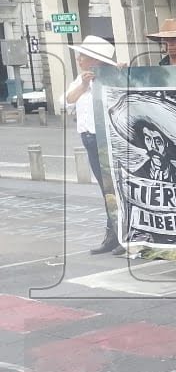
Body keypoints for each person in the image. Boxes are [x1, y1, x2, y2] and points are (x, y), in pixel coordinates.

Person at [64, 36, 121, 254]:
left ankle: (123, 234)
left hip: (108, 139)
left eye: (83, 56)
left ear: (95, 60)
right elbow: (67, 100)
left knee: (116, 188)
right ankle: (113, 234)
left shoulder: (112, 78)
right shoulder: (80, 80)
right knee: (105, 189)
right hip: (88, 138)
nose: (79, 59)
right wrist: (84, 85)